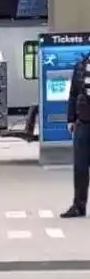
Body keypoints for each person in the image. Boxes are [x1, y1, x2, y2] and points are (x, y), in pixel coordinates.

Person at [61, 53, 90, 218]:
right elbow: (73, 94)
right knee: (80, 167)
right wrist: (71, 119)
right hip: (83, 123)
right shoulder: (81, 65)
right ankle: (79, 206)